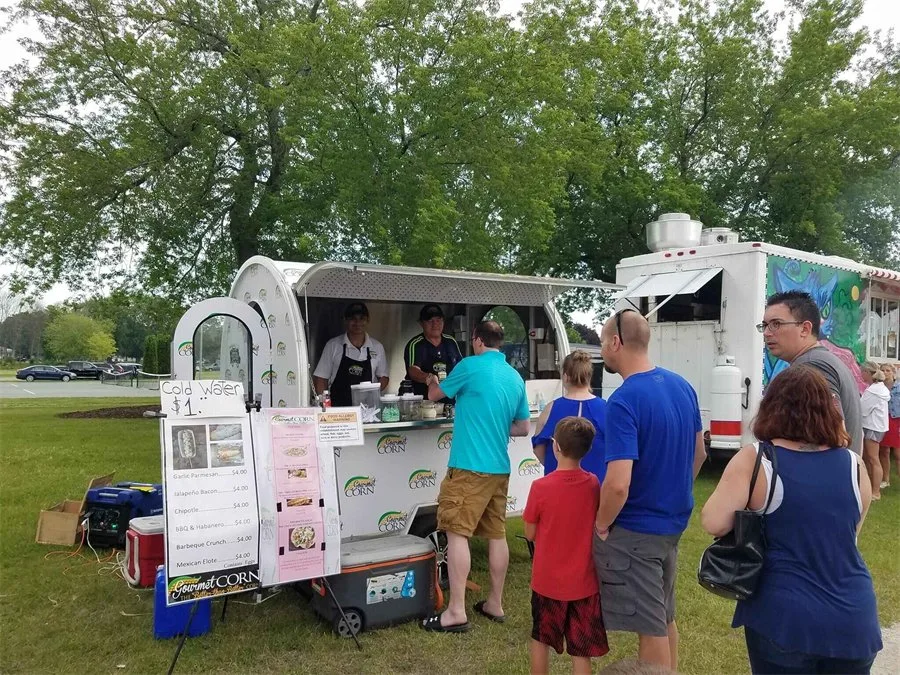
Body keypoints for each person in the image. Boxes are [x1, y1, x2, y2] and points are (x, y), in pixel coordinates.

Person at [701, 365, 881, 675]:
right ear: (828, 409)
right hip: (853, 614)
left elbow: (714, 522)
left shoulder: (756, 459)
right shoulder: (854, 465)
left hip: (783, 617)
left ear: (771, 407)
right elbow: (851, 534)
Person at [593, 309, 706, 670]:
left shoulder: (624, 400)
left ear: (616, 343)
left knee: (650, 628)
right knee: (662, 616)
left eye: (601, 343)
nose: (602, 351)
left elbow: (618, 483)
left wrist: (600, 523)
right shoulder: (682, 386)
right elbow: (700, 452)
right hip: (672, 525)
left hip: (637, 530)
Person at [420, 320, 530, 633]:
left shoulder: (469, 365)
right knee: (497, 535)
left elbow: (434, 394)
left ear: (478, 340)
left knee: (457, 533)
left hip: (469, 467)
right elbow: (522, 427)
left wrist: (431, 377)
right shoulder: (514, 376)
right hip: (499, 468)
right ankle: (494, 603)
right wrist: (495, 425)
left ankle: (455, 611)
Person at [524, 416, 608, 674]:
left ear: (555, 447)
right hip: (584, 582)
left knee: (541, 639)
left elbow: (529, 532)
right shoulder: (593, 484)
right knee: (581, 649)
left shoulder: (540, 487)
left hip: (547, 582)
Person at [760, 290, 863, 455]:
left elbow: (836, 436)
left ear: (805, 329)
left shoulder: (811, 366)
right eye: (765, 325)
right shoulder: (823, 360)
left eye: (776, 324)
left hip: (824, 478)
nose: (767, 333)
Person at [531, 350, 607, 481]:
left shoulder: (550, 408)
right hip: (596, 487)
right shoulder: (606, 408)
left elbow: (538, 448)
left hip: (558, 486)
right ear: (589, 376)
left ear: (565, 377)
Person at [312, 302, 389, 406]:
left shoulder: (377, 347)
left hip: (367, 410)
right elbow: (321, 379)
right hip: (338, 410)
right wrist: (324, 405)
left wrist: (371, 394)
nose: (357, 322)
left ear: (368, 320)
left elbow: (383, 377)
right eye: (353, 318)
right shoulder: (333, 345)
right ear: (345, 320)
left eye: (362, 318)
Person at [403, 304, 463, 397]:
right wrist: (429, 378)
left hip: (449, 398)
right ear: (421, 323)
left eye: (438, 320)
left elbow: (461, 366)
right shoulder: (415, 344)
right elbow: (413, 371)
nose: (435, 324)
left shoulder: (451, 341)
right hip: (423, 400)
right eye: (430, 321)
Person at [860, 361, 890, 501]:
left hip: (872, 427)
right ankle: (870, 486)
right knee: (869, 458)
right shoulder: (879, 388)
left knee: (873, 459)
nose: (861, 374)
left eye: (862, 371)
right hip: (877, 426)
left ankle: (876, 492)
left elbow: (862, 410)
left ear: (867, 373)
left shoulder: (873, 391)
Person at [879, 363, 900, 489]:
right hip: (883, 420)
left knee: (898, 453)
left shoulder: (898, 387)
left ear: (893, 372)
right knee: (884, 450)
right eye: (883, 370)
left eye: (888, 370)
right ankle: (885, 479)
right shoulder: (878, 387)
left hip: (896, 420)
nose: (885, 372)